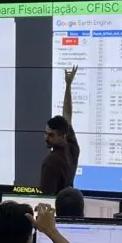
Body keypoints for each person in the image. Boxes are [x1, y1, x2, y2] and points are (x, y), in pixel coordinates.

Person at [40, 66, 80, 195]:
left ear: (63, 136)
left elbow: (47, 199)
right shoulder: (73, 147)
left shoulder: (51, 163)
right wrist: (68, 85)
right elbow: (67, 115)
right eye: (45, 133)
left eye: (51, 135)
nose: (46, 138)